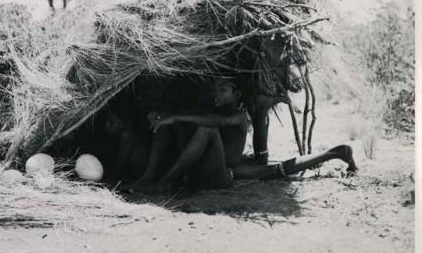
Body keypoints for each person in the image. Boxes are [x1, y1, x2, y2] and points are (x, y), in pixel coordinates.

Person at [133, 77, 358, 194]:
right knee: (168, 125)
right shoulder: (213, 111)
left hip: (221, 177)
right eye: (214, 90)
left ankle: (164, 183)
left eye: (222, 90)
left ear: (236, 94)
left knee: (206, 128)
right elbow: (191, 115)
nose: (215, 94)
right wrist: (166, 116)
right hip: (205, 171)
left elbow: (217, 123)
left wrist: (176, 118)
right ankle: (147, 178)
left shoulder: (240, 116)